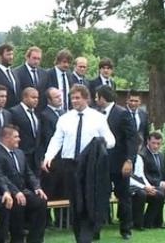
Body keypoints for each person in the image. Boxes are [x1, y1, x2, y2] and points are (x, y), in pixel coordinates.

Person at [42, 84, 115, 243]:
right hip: (69, 165)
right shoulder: (65, 119)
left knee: (88, 201)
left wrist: (99, 143)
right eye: (72, 98)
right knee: (75, 203)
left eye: (77, 98)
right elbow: (57, 139)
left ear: (86, 98)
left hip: (89, 166)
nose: (74, 101)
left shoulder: (98, 118)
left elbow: (111, 140)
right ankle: (79, 237)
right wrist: (49, 156)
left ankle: (87, 236)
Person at [0, 125, 47, 243]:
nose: (19, 139)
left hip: (22, 191)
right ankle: (17, 239)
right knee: (18, 204)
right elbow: (0, 177)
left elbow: (28, 173)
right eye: (16, 137)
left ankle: (35, 239)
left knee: (41, 201)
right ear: (6, 138)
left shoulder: (19, 153)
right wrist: (15, 192)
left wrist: (37, 187)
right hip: (5, 193)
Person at [95, 85, 138, 239]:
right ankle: (96, 229)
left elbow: (132, 139)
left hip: (120, 164)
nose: (95, 99)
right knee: (100, 196)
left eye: (96, 97)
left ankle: (126, 229)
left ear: (102, 97)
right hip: (101, 164)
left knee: (124, 196)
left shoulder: (122, 114)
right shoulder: (95, 114)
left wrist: (129, 160)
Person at [39, 88, 67, 227]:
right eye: (56, 97)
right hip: (51, 160)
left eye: (60, 96)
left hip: (64, 160)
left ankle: (63, 221)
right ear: (49, 100)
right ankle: (47, 221)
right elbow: (46, 138)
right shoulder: (44, 115)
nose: (60, 99)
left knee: (63, 190)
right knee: (49, 190)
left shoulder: (64, 113)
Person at [130, 134, 164, 230]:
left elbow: (142, 175)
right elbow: (128, 178)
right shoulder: (125, 158)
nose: (156, 146)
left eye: (139, 145)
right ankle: (137, 224)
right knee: (141, 194)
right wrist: (144, 187)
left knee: (159, 194)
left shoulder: (139, 158)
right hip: (128, 186)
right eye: (153, 143)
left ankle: (148, 222)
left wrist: (149, 187)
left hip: (141, 185)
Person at [9, 87, 41, 172]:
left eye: (37, 98)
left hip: (35, 155)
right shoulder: (14, 112)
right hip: (22, 152)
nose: (36, 100)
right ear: (24, 97)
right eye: (33, 97)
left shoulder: (36, 113)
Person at [139, 131, 165, 227]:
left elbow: (162, 173)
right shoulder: (142, 155)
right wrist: (159, 183)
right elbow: (143, 175)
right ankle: (148, 222)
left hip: (159, 185)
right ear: (148, 141)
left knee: (162, 191)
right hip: (145, 186)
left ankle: (159, 222)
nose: (156, 146)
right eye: (153, 143)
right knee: (160, 193)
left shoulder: (161, 156)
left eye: (158, 144)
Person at [13, 46, 48, 112]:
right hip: (24, 111)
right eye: (34, 58)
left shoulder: (44, 73)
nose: (36, 61)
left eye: (38, 59)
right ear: (27, 57)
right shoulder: (17, 73)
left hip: (41, 111)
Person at [0, 44, 20, 108]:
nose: (11, 57)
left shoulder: (15, 72)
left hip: (16, 111)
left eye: (12, 54)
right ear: (0, 56)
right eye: (8, 54)